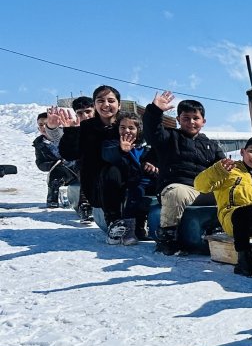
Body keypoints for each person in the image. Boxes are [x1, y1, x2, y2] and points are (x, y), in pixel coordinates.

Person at [144, 91, 225, 255]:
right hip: (179, 187)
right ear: (178, 119)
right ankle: (167, 237)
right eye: (186, 118)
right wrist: (155, 111)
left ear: (203, 121)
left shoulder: (211, 145)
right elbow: (152, 133)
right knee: (177, 193)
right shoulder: (169, 137)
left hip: (204, 190)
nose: (191, 122)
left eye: (196, 118)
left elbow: (221, 168)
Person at [194, 136, 252, 278]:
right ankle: (244, 260)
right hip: (233, 220)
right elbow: (200, 186)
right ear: (242, 152)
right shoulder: (227, 172)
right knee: (244, 212)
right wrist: (218, 171)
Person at [49, 86, 122, 224]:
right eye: (101, 101)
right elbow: (69, 153)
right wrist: (70, 132)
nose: (106, 105)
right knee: (110, 171)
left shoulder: (126, 124)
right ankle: (109, 219)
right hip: (98, 184)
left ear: (119, 104)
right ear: (96, 104)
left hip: (129, 180)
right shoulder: (84, 129)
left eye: (111, 100)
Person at [99, 111, 158, 245]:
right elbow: (108, 155)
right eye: (123, 127)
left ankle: (145, 227)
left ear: (139, 130)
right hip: (128, 182)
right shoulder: (112, 143)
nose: (127, 131)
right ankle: (127, 228)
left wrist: (154, 167)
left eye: (131, 128)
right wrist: (121, 150)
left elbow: (158, 160)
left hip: (148, 181)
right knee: (134, 192)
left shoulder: (147, 147)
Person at [33, 112, 75, 208]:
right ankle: (52, 198)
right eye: (41, 125)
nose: (44, 127)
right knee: (56, 173)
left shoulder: (65, 136)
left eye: (47, 124)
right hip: (59, 171)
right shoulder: (39, 143)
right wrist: (55, 164)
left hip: (75, 169)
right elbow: (40, 163)